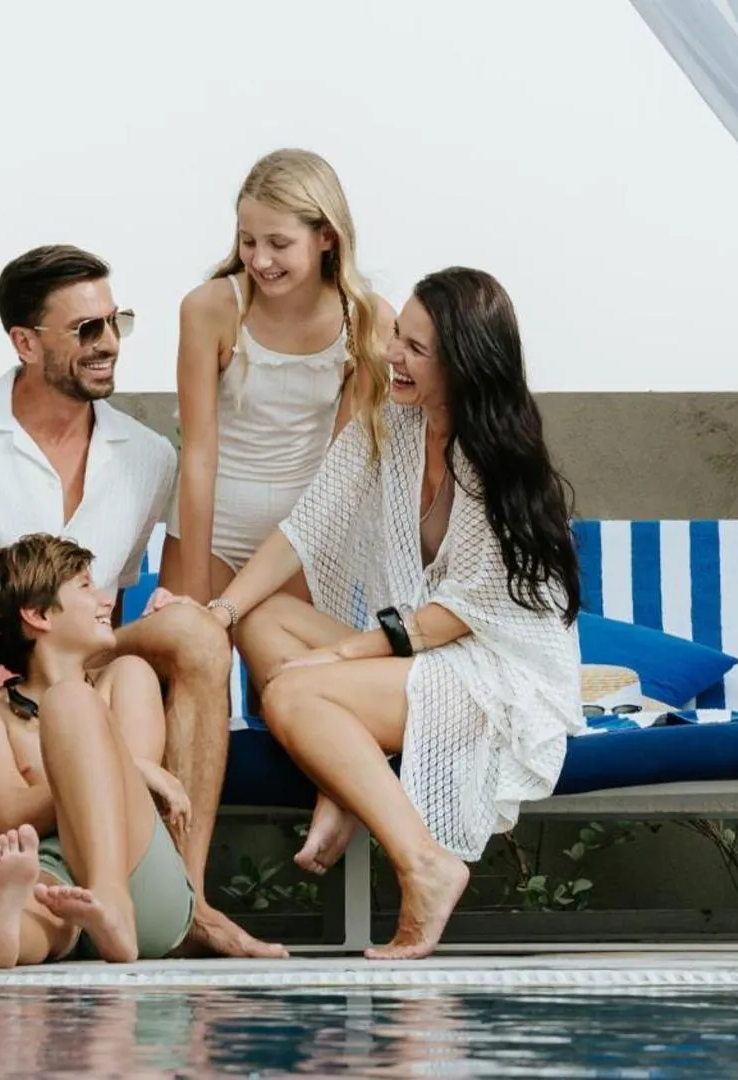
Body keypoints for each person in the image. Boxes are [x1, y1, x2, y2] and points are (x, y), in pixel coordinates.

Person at [0, 243, 284, 962]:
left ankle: (188, 901)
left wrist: (177, 619)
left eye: (115, 322)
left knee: (196, 635)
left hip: (73, 658)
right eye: (86, 329)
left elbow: (148, 596)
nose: (109, 343)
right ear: (25, 343)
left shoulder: (146, 455)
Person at [203, 267, 585, 959]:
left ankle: (425, 865)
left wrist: (337, 657)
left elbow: (459, 615)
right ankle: (342, 780)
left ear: (465, 363)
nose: (391, 356)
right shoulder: (390, 427)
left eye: (415, 348)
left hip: (493, 670)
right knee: (262, 621)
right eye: (395, 337)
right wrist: (221, 610)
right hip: (420, 647)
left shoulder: (500, 459)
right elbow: (305, 526)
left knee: (291, 691)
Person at [163, 149, 395, 607]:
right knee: (192, 659)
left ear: (327, 237)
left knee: (284, 674)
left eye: (279, 243)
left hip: (302, 531)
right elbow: (199, 455)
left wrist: (307, 544)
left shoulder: (368, 318)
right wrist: (194, 593)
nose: (260, 259)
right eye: (248, 241)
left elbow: (341, 467)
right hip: (211, 526)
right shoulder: (209, 308)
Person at [0, 534, 195, 967]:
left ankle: (112, 900)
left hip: (139, 877)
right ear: (38, 614)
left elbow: (136, 794)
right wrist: (95, 770)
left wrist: (102, 769)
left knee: (69, 700)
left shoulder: (126, 676)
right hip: (53, 868)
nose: (107, 601)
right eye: (86, 587)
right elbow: (7, 812)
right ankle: (5, 932)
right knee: (36, 895)